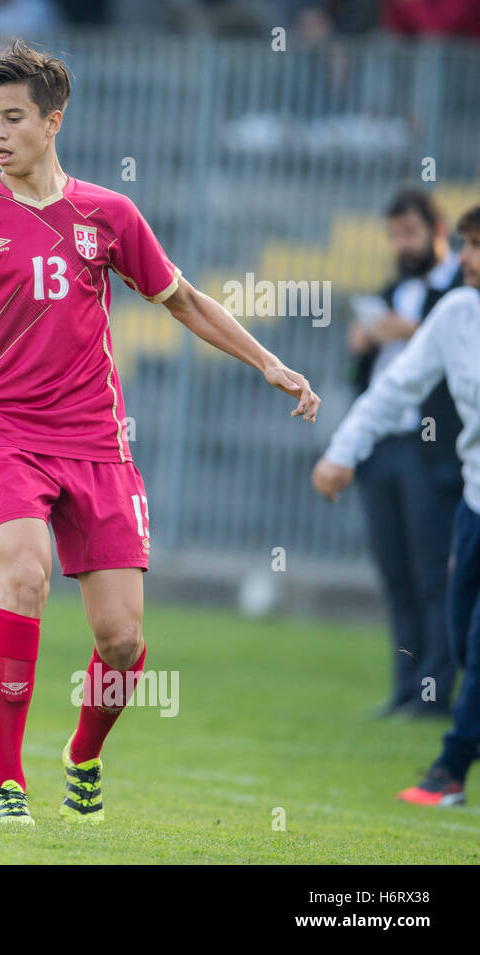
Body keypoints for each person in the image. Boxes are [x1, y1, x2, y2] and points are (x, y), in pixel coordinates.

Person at [0, 39, 320, 825]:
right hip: (2, 431)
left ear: (53, 121)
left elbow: (185, 300)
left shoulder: (109, 215)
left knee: (124, 641)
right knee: (24, 576)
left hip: (98, 443)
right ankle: (6, 787)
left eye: (13, 118)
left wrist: (267, 362)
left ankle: (83, 751)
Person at [313, 205, 480, 807]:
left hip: (438, 470)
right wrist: (343, 449)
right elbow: (388, 383)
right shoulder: (439, 305)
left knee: (465, 622)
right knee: (438, 613)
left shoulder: (449, 299)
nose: (466, 258)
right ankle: (418, 692)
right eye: (466, 245)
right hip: (434, 482)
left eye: (477, 247)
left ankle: (449, 754)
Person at [347, 189, 464, 719]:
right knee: (395, 575)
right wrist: (365, 345)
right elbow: (373, 378)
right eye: (395, 235)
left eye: (411, 234)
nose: (402, 244)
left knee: (432, 575)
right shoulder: (392, 290)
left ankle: (435, 692)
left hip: (430, 451)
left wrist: (409, 332)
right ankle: (406, 685)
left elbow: (458, 354)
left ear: (439, 230)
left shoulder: (464, 291)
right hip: (383, 451)